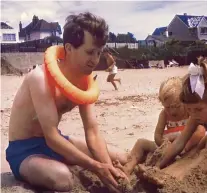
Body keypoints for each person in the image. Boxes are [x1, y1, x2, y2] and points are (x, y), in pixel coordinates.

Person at [5, 12, 128, 193]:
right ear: (69, 48)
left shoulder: (85, 81)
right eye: (89, 52)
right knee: (63, 179)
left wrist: (108, 168)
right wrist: (96, 166)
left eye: (98, 52)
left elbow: (92, 130)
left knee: (121, 157)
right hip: (25, 150)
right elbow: (51, 136)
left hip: (57, 142)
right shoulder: (40, 79)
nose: (95, 59)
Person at [153, 61, 207, 193]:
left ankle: (173, 177)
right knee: (197, 155)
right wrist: (159, 165)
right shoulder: (197, 116)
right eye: (189, 109)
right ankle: (166, 176)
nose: (193, 114)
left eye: (198, 109)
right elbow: (180, 142)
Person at [113, 77, 206, 176]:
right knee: (141, 143)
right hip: (167, 146)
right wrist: (165, 145)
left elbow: (200, 132)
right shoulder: (164, 114)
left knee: (203, 145)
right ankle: (127, 168)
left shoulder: (189, 111)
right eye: (168, 107)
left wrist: (186, 147)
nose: (172, 111)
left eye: (176, 106)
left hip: (188, 147)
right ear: (162, 103)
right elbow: (157, 135)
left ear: (184, 101)